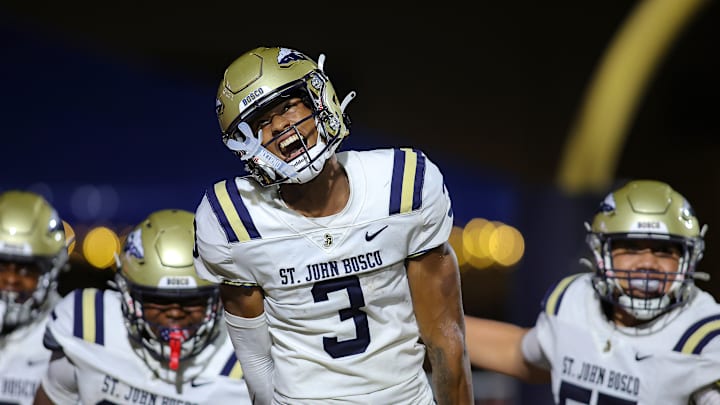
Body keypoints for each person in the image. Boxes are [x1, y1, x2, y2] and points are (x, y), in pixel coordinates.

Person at [193, 46, 473, 404]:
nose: (279, 126)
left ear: (319, 99)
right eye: (260, 123)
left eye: (287, 106)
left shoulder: (403, 185)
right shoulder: (232, 220)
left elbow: (446, 339)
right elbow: (256, 363)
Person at [465, 179, 720, 404]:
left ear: (688, 259)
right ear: (601, 253)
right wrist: (434, 324)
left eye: (664, 250)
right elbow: (525, 355)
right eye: (631, 247)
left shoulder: (705, 338)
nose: (647, 263)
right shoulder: (575, 300)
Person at [34, 209, 252, 404]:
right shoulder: (89, 325)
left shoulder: (242, 360)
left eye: (192, 300)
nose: (175, 313)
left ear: (216, 298)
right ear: (128, 295)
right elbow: (55, 394)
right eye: (160, 300)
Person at [0, 190, 69, 405]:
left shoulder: (68, 337)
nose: (11, 280)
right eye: (1, 266)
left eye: (26, 269)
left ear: (51, 270)